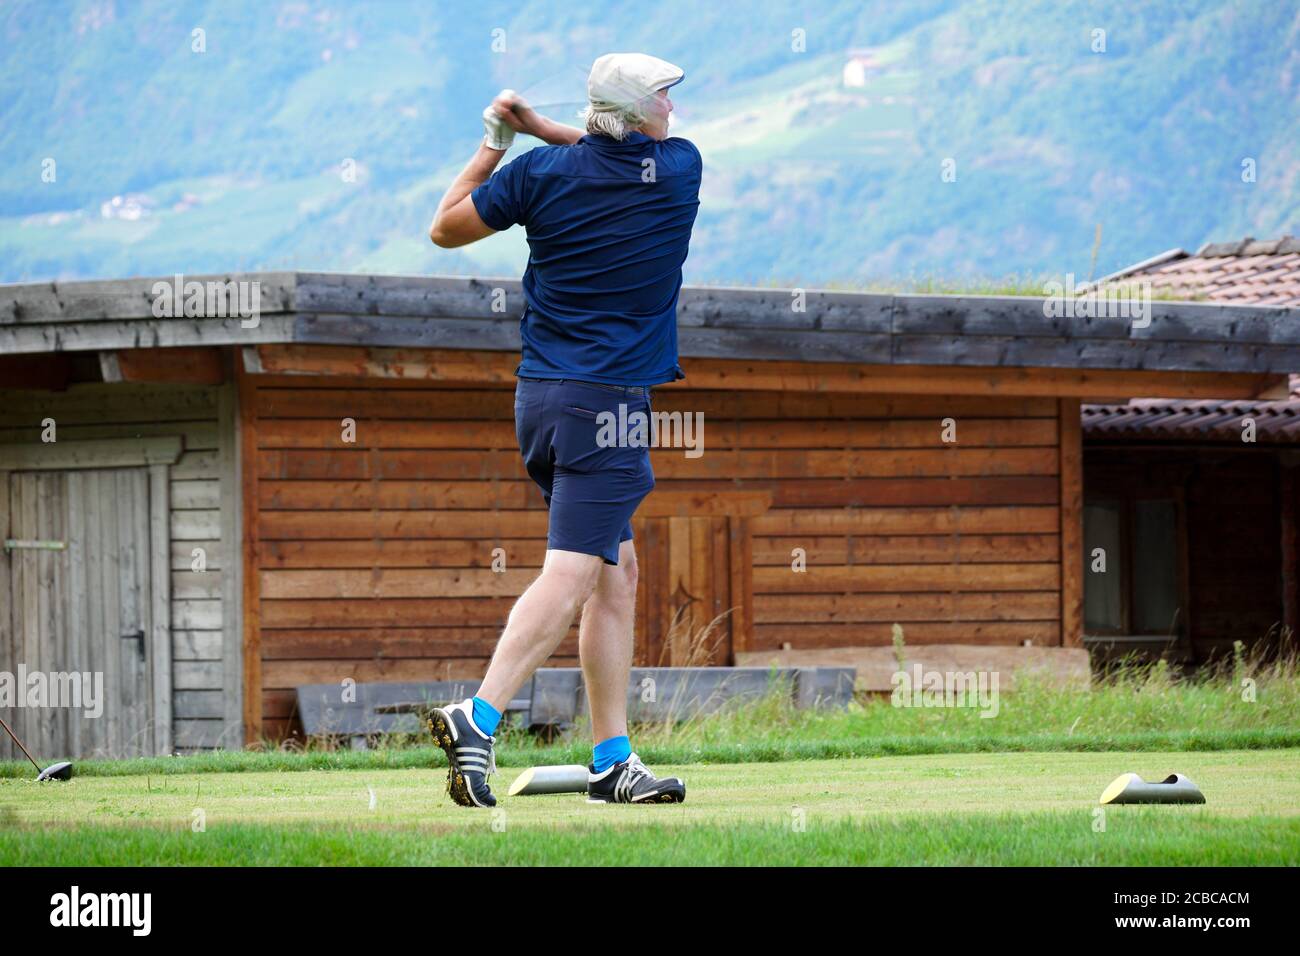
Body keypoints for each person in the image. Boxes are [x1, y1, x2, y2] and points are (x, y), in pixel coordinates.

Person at [425, 53, 701, 806]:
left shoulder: (537, 177)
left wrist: (498, 142)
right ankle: (477, 714)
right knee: (575, 572)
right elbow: (612, 158)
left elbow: (444, 228)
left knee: (618, 574)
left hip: (541, 403)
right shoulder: (678, 170)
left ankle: (613, 760)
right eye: (664, 100)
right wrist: (544, 128)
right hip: (608, 408)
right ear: (642, 114)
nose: (673, 112)